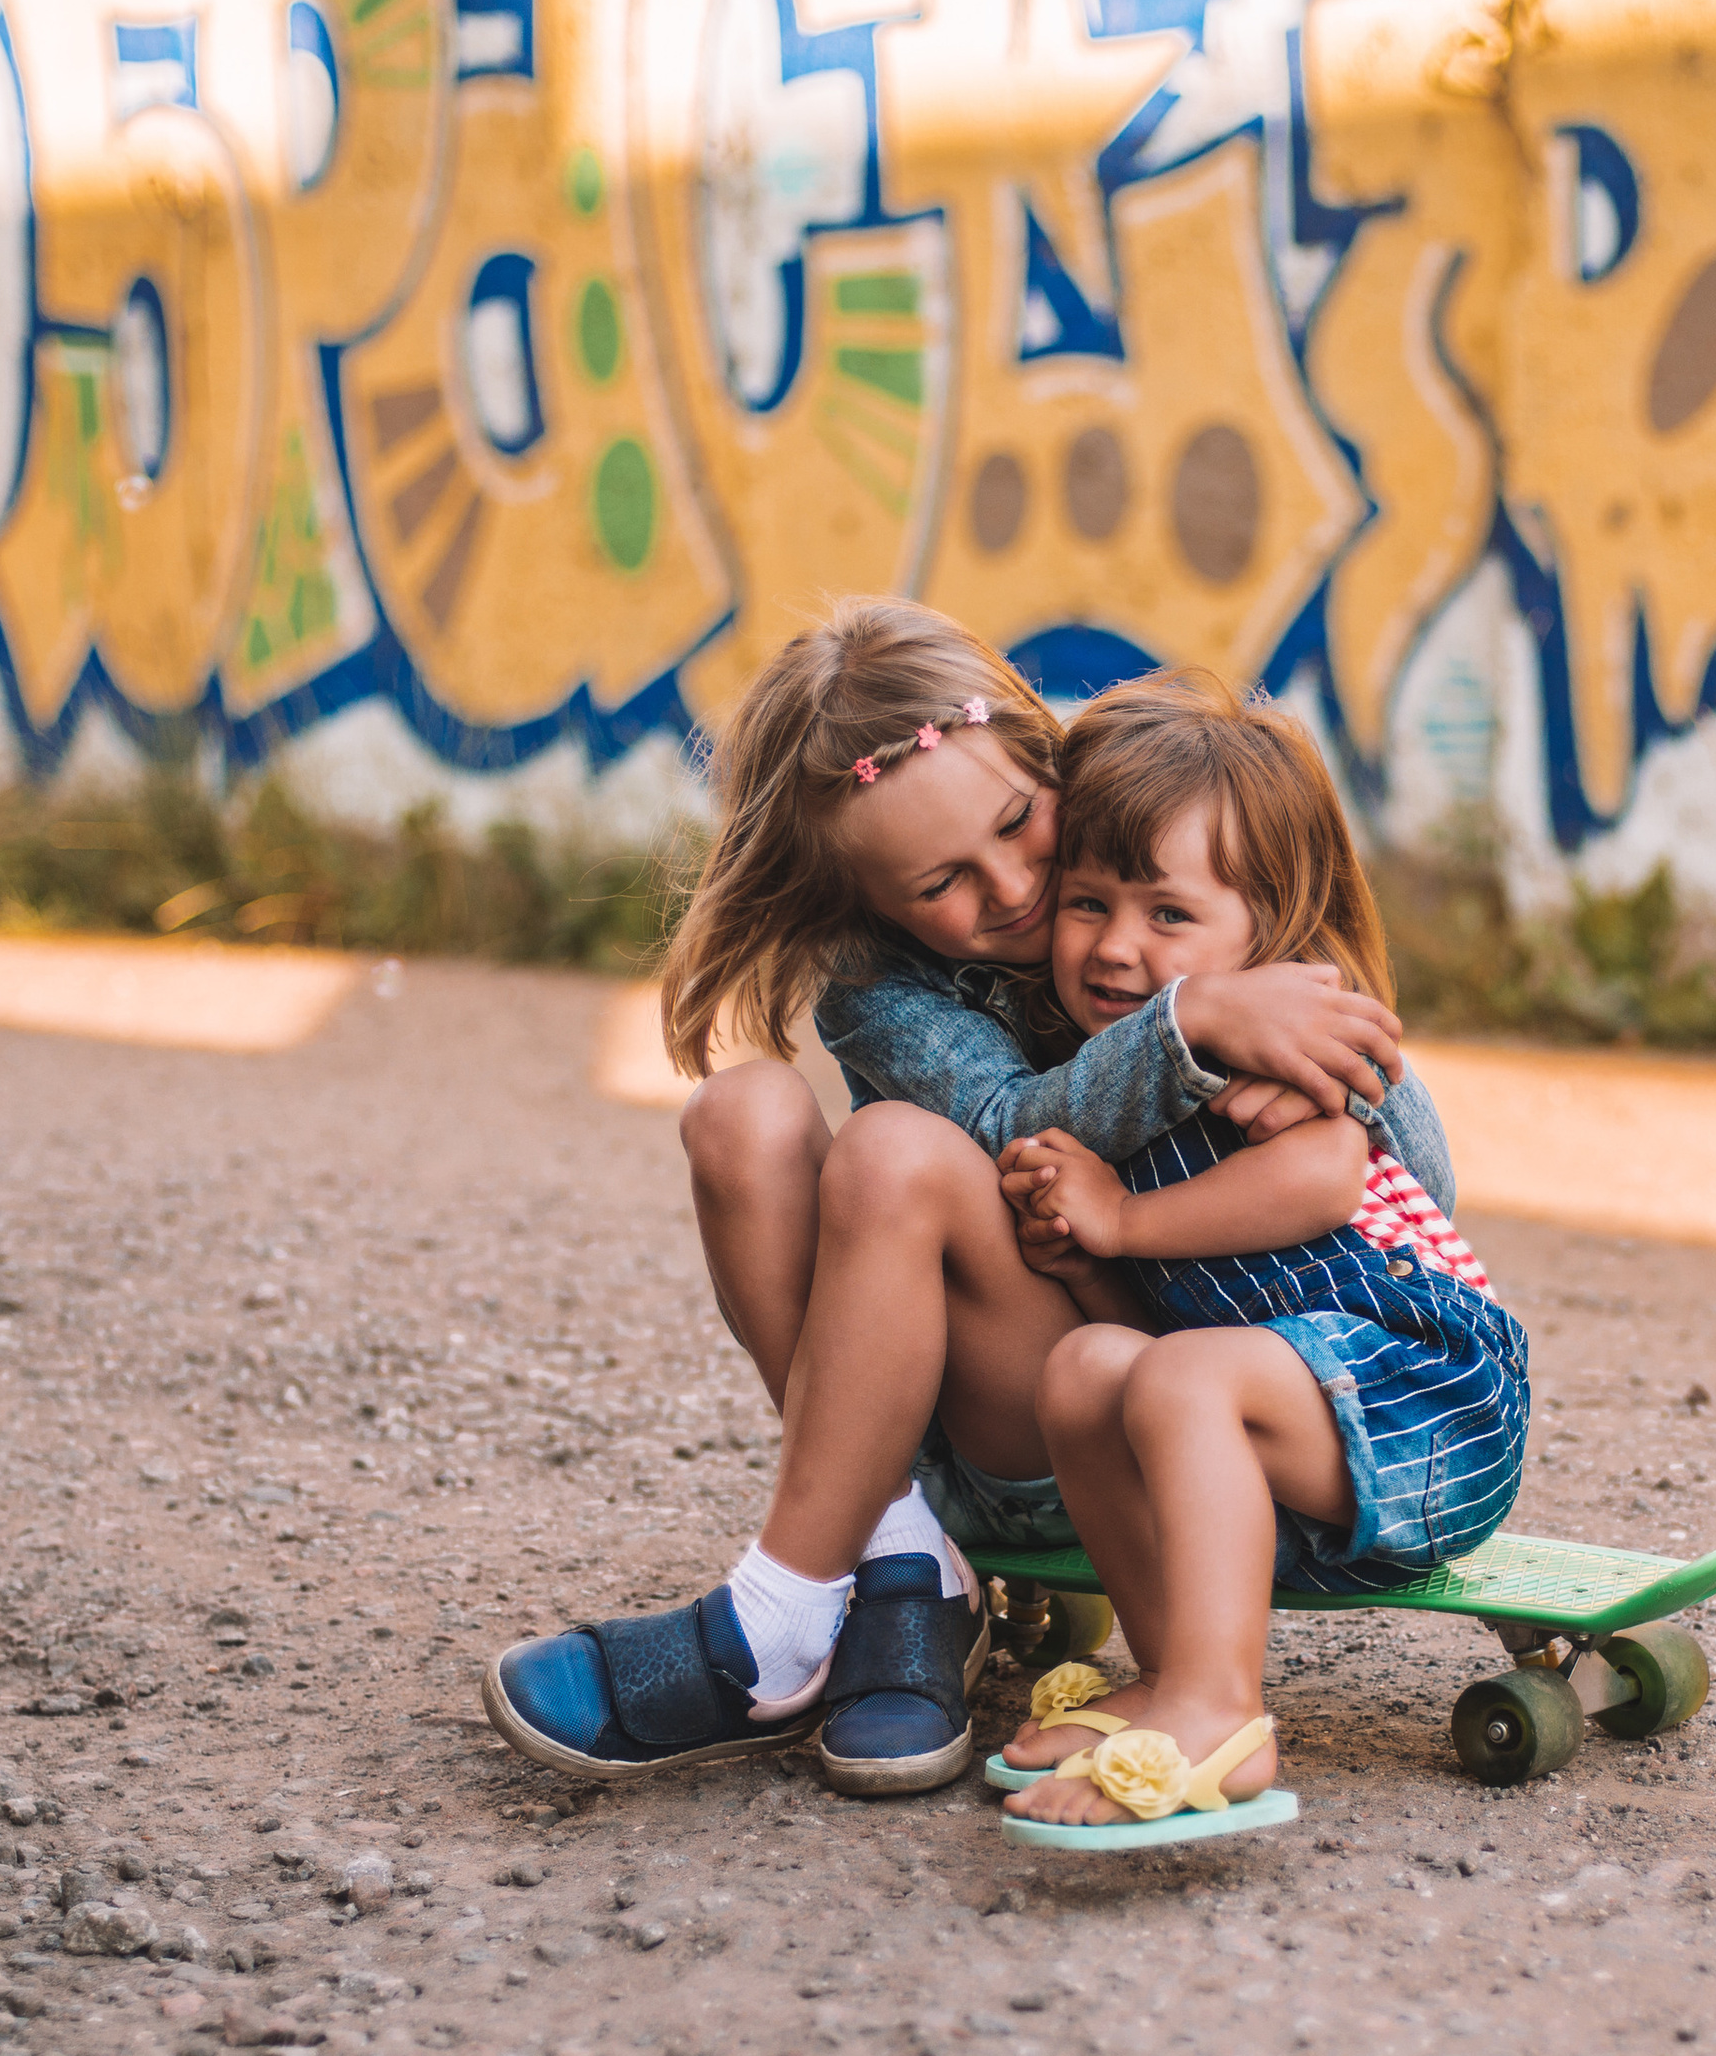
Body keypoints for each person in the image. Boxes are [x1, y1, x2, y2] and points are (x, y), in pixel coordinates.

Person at [482, 599, 1454, 1796]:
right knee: (746, 1116)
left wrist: (1323, 1079)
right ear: (868, 902)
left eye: (1017, 824)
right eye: (941, 880)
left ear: (1045, 758)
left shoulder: (1171, 856)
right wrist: (1191, 1024)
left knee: (890, 1151)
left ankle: (801, 1615)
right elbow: (1008, 1126)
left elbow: (1420, 1211)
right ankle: (889, 1558)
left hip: (1178, 1395)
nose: (1012, 889)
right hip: (1021, 1402)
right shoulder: (877, 993)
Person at [987, 672, 1530, 1847]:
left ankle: (1220, 1714)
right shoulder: (1118, 1088)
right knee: (1087, 1366)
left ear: (1266, 930)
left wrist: (1122, 1218)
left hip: (1430, 1399)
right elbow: (1154, 1316)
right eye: (1086, 902)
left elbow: (1327, 1177)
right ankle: (1171, 1668)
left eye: (1167, 915)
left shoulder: (1269, 1053)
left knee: (1179, 1377)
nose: (1117, 947)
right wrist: (1083, 1251)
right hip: (1294, 1441)